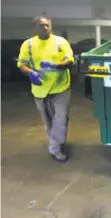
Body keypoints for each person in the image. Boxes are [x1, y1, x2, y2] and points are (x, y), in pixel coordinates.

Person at [17, 16, 74, 162]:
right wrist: (31, 72)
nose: (45, 28)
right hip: (40, 91)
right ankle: (55, 143)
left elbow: (69, 61)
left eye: (47, 25)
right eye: (42, 26)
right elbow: (21, 64)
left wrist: (55, 65)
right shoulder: (28, 44)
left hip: (61, 88)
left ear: (51, 26)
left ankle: (56, 147)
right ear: (36, 27)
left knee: (60, 119)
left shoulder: (61, 42)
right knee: (48, 122)